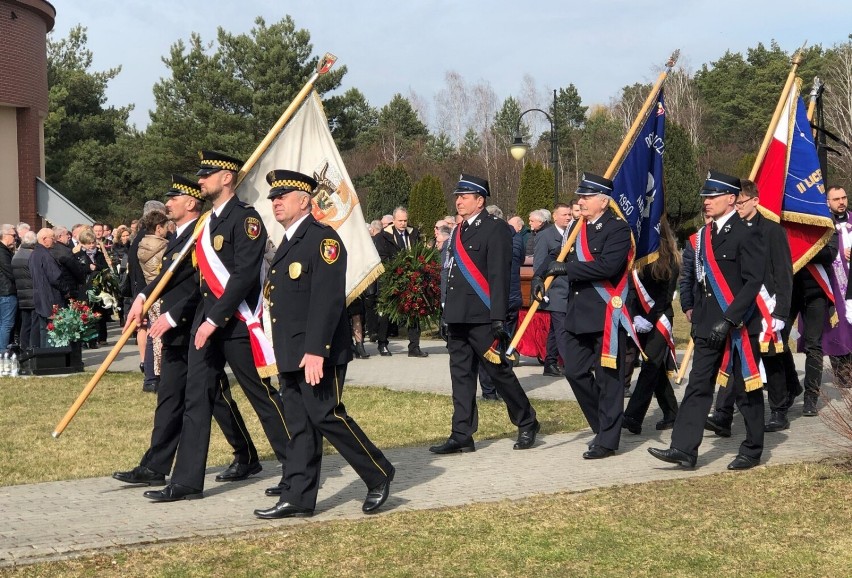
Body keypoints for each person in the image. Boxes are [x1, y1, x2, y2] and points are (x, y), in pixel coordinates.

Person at [142, 150, 290, 502]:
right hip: (206, 325)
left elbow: (242, 277)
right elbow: (200, 281)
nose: (200, 181)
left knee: (262, 397)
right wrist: (186, 316)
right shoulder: (206, 224)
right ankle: (187, 481)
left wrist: (213, 319)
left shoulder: (246, 219)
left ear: (227, 178)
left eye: (207, 175)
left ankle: (297, 466)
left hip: (236, 323)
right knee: (197, 400)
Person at [254, 169, 394, 519]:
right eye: (273, 198)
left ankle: (378, 473)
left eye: (281, 197)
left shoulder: (323, 240)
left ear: (304, 201)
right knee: (300, 424)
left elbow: (328, 300)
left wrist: (316, 350)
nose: (275, 203)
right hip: (290, 350)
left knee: (326, 415)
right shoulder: (287, 242)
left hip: (318, 351)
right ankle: (299, 497)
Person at [116, 175, 262, 489]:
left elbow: (202, 286)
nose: (167, 203)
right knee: (173, 397)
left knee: (212, 396)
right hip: (176, 330)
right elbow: (168, 279)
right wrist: (142, 297)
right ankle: (156, 464)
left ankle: (249, 455)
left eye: (174, 198)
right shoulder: (181, 237)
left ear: (191, 202)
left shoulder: (202, 234)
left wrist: (172, 315)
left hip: (191, 324)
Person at [649, 171, 766, 470]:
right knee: (698, 386)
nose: (706, 202)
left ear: (731, 199)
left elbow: (753, 282)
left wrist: (728, 320)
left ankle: (752, 448)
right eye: (705, 197)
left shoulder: (748, 231)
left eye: (712, 197)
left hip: (736, 324)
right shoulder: (704, 236)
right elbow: (700, 280)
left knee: (745, 388)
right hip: (706, 324)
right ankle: (684, 449)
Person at [430, 173, 540, 455]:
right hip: (457, 316)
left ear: (480, 200)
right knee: (461, 376)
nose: (458, 201)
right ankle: (462, 433)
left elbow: (499, 276)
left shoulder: (496, 229)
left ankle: (527, 421)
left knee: (499, 373)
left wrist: (498, 318)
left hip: (483, 315)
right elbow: (450, 273)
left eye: (464, 197)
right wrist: (446, 312)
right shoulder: (457, 230)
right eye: (457, 196)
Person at [534, 173, 632, 459]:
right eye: (579, 197)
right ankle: (603, 425)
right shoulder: (577, 227)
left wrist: (567, 271)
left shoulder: (617, 229)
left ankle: (608, 441)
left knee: (608, 379)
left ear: (603, 201)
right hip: (577, 313)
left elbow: (608, 267)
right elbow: (558, 255)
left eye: (586, 197)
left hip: (604, 314)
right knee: (575, 372)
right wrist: (542, 275)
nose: (581, 202)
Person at [705, 180, 794, 434]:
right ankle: (723, 414)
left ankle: (778, 409)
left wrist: (781, 312)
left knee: (772, 357)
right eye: (737, 202)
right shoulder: (732, 230)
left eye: (742, 202)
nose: (739, 207)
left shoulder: (772, 231)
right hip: (742, 305)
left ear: (755, 201)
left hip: (768, 305)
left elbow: (784, 272)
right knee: (734, 359)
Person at [622, 217, 681, 435]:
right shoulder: (637, 257)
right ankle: (672, 412)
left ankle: (633, 417)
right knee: (654, 368)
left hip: (660, 318)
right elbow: (630, 288)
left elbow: (666, 296)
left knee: (649, 367)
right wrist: (636, 315)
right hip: (639, 319)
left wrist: (650, 317)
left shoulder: (671, 258)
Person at [374, 206, 428, 358]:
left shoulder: (414, 233)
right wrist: (398, 268)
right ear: (393, 220)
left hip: (411, 278)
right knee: (386, 312)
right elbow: (382, 258)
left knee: (414, 310)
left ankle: (414, 346)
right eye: (400, 221)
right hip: (391, 278)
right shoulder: (383, 236)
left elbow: (419, 252)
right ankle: (382, 343)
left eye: (405, 220)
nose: (403, 223)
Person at [533, 203, 572, 378]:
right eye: (564, 214)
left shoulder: (572, 234)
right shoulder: (545, 236)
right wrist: (542, 289)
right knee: (562, 328)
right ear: (554, 217)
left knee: (555, 330)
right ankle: (571, 365)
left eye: (570, 214)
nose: (568, 217)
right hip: (555, 291)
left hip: (569, 289)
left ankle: (550, 362)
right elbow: (540, 263)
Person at [136, 210, 171, 387]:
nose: (167, 230)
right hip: (161, 292)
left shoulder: (142, 245)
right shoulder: (164, 247)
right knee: (159, 336)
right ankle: (158, 375)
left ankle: (150, 376)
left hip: (150, 291)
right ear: (158, 228)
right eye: (165, 227)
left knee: (152, 334)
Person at [823, 185, 852, 387]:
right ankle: (843, 374)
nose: (841, 202)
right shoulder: (823, 225)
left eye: (843, 198)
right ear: (828, 202)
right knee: (838, 328)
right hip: (834, 283)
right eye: (836, 199)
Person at [29, 228, 67, 347]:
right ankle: (52, 358)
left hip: (40, 298)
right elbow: (55, 278)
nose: (55, 241)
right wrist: (66, 289)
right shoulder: (46, 255)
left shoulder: (34, 254)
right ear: (44, 239)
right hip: (51, 298)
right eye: (53, 238)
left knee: (44, 330)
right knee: (52, 331)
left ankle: (45, 357)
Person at [73, 228, 111, 348]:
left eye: (93, 243)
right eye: (88, 243)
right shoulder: (78, 255)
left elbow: (106, 268)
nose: (91, 245)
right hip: (84, 288)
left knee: (99, 314)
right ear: (82, 244)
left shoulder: (99, 254)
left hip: (98, 288)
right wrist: (88, 268)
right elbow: (77, 271)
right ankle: (86, 340)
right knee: (86, 314)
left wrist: (96, 266)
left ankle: (99, 338)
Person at [11, 231, 37, 349]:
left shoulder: (16, 255)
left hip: (21, 294)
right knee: (34, 324)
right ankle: (32, 348)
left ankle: (24, 348)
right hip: (32, 293)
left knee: (25, 324)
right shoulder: (32, 255)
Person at [0, 224, 17, 352]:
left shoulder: (5, 251)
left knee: (4, 324)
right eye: (13, 235)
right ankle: (2, 351)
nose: (15, 238)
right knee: (7, 324)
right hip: (6, 292)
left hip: (4, 291)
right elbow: (10, 272)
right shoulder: (2, 252)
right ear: (5, 236)